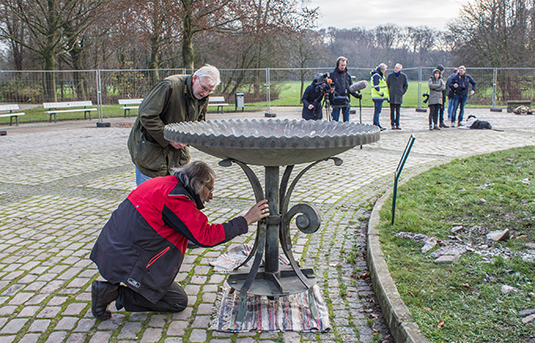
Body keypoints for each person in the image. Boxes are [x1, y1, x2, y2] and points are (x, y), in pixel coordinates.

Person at [89, 161, 270, 321]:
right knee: (177, 302)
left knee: (171, 295)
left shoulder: (167, 183)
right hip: (128, 258)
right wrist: (245, 221)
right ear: (198, 184)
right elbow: (205, 236)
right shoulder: (176, 198)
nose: (211, 196)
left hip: (114, 247)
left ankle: (113, 291)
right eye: (210, 189)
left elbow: (176, 225)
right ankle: (111, 294)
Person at [127, 64, 221, 187]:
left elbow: (199, 121)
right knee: (149, 199)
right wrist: (169, 138)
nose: (205, 93)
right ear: (195, 78)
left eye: (210, 91)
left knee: (171, 199)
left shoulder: (202, 96)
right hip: (151, 155)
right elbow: (147, 115)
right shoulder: (168, 86)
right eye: (203, 88)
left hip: (177, 158)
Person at [329, 56, 352, 122]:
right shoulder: (332, 75)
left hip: (346, 99)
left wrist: (357, 95)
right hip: (336, 100)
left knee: (346, 121)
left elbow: (351, 88)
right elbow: (329, 87)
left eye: (344, 65)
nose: (343, 67)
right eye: (342, 65)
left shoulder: (347, 76)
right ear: (338, 65)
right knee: (335, 121)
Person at [386, 63, 408, 130]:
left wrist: (402, 92)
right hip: (392, 95)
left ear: (400, 69)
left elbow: (405, 85)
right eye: (395, 67)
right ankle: (392, 124)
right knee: (392, 111)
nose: (395, 69)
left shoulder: (403, 76)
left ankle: (397, 124)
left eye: (397, 68)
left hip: (399, 95)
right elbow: (387, 85)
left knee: (398, 112)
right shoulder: (390, 76)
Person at [370, 63, 389, 131]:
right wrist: (381, 93)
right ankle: (376, 124)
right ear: (383, 69)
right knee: (377, 111)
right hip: (377, 96)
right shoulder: (377, 75)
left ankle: (377, 124)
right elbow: (376, 86)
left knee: (378, 111)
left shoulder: (378, 75)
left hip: (378, 96)